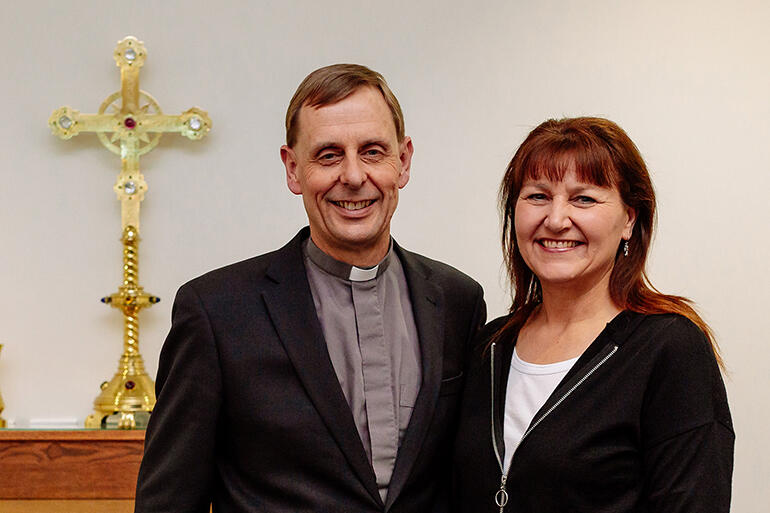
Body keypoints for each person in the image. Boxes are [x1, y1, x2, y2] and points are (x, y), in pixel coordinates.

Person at [134, 64, 486, 513]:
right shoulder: (216, 312)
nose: (354, 176)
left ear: (404, 160)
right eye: (328, 155)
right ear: (293, 169)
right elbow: (168, 501)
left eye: (373, 151)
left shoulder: (458, 301)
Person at [452, 117, 733, 512]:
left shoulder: (669, 349)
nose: (555, 219)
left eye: (583, 199)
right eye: (537, 196)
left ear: (629, 219)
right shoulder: (490, 346)